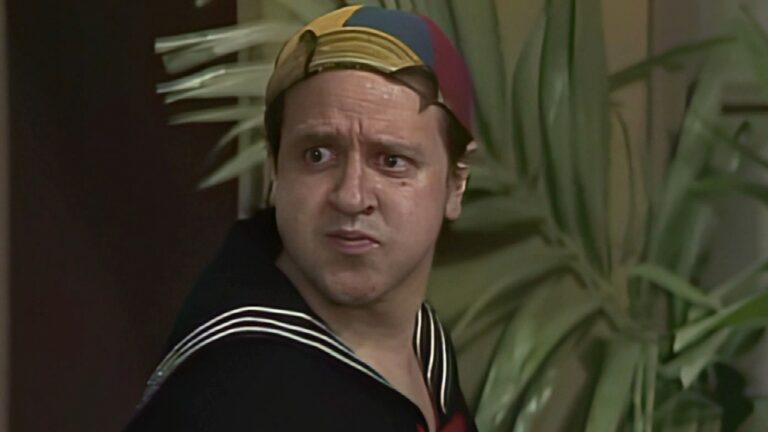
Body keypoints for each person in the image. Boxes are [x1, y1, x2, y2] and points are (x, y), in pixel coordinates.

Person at [125, 5, 477, 431]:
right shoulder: (235, 398)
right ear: (275, 170)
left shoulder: (422, 340)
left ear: (455, 184)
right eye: (317, 155)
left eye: (391, 161)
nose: (351, 197)